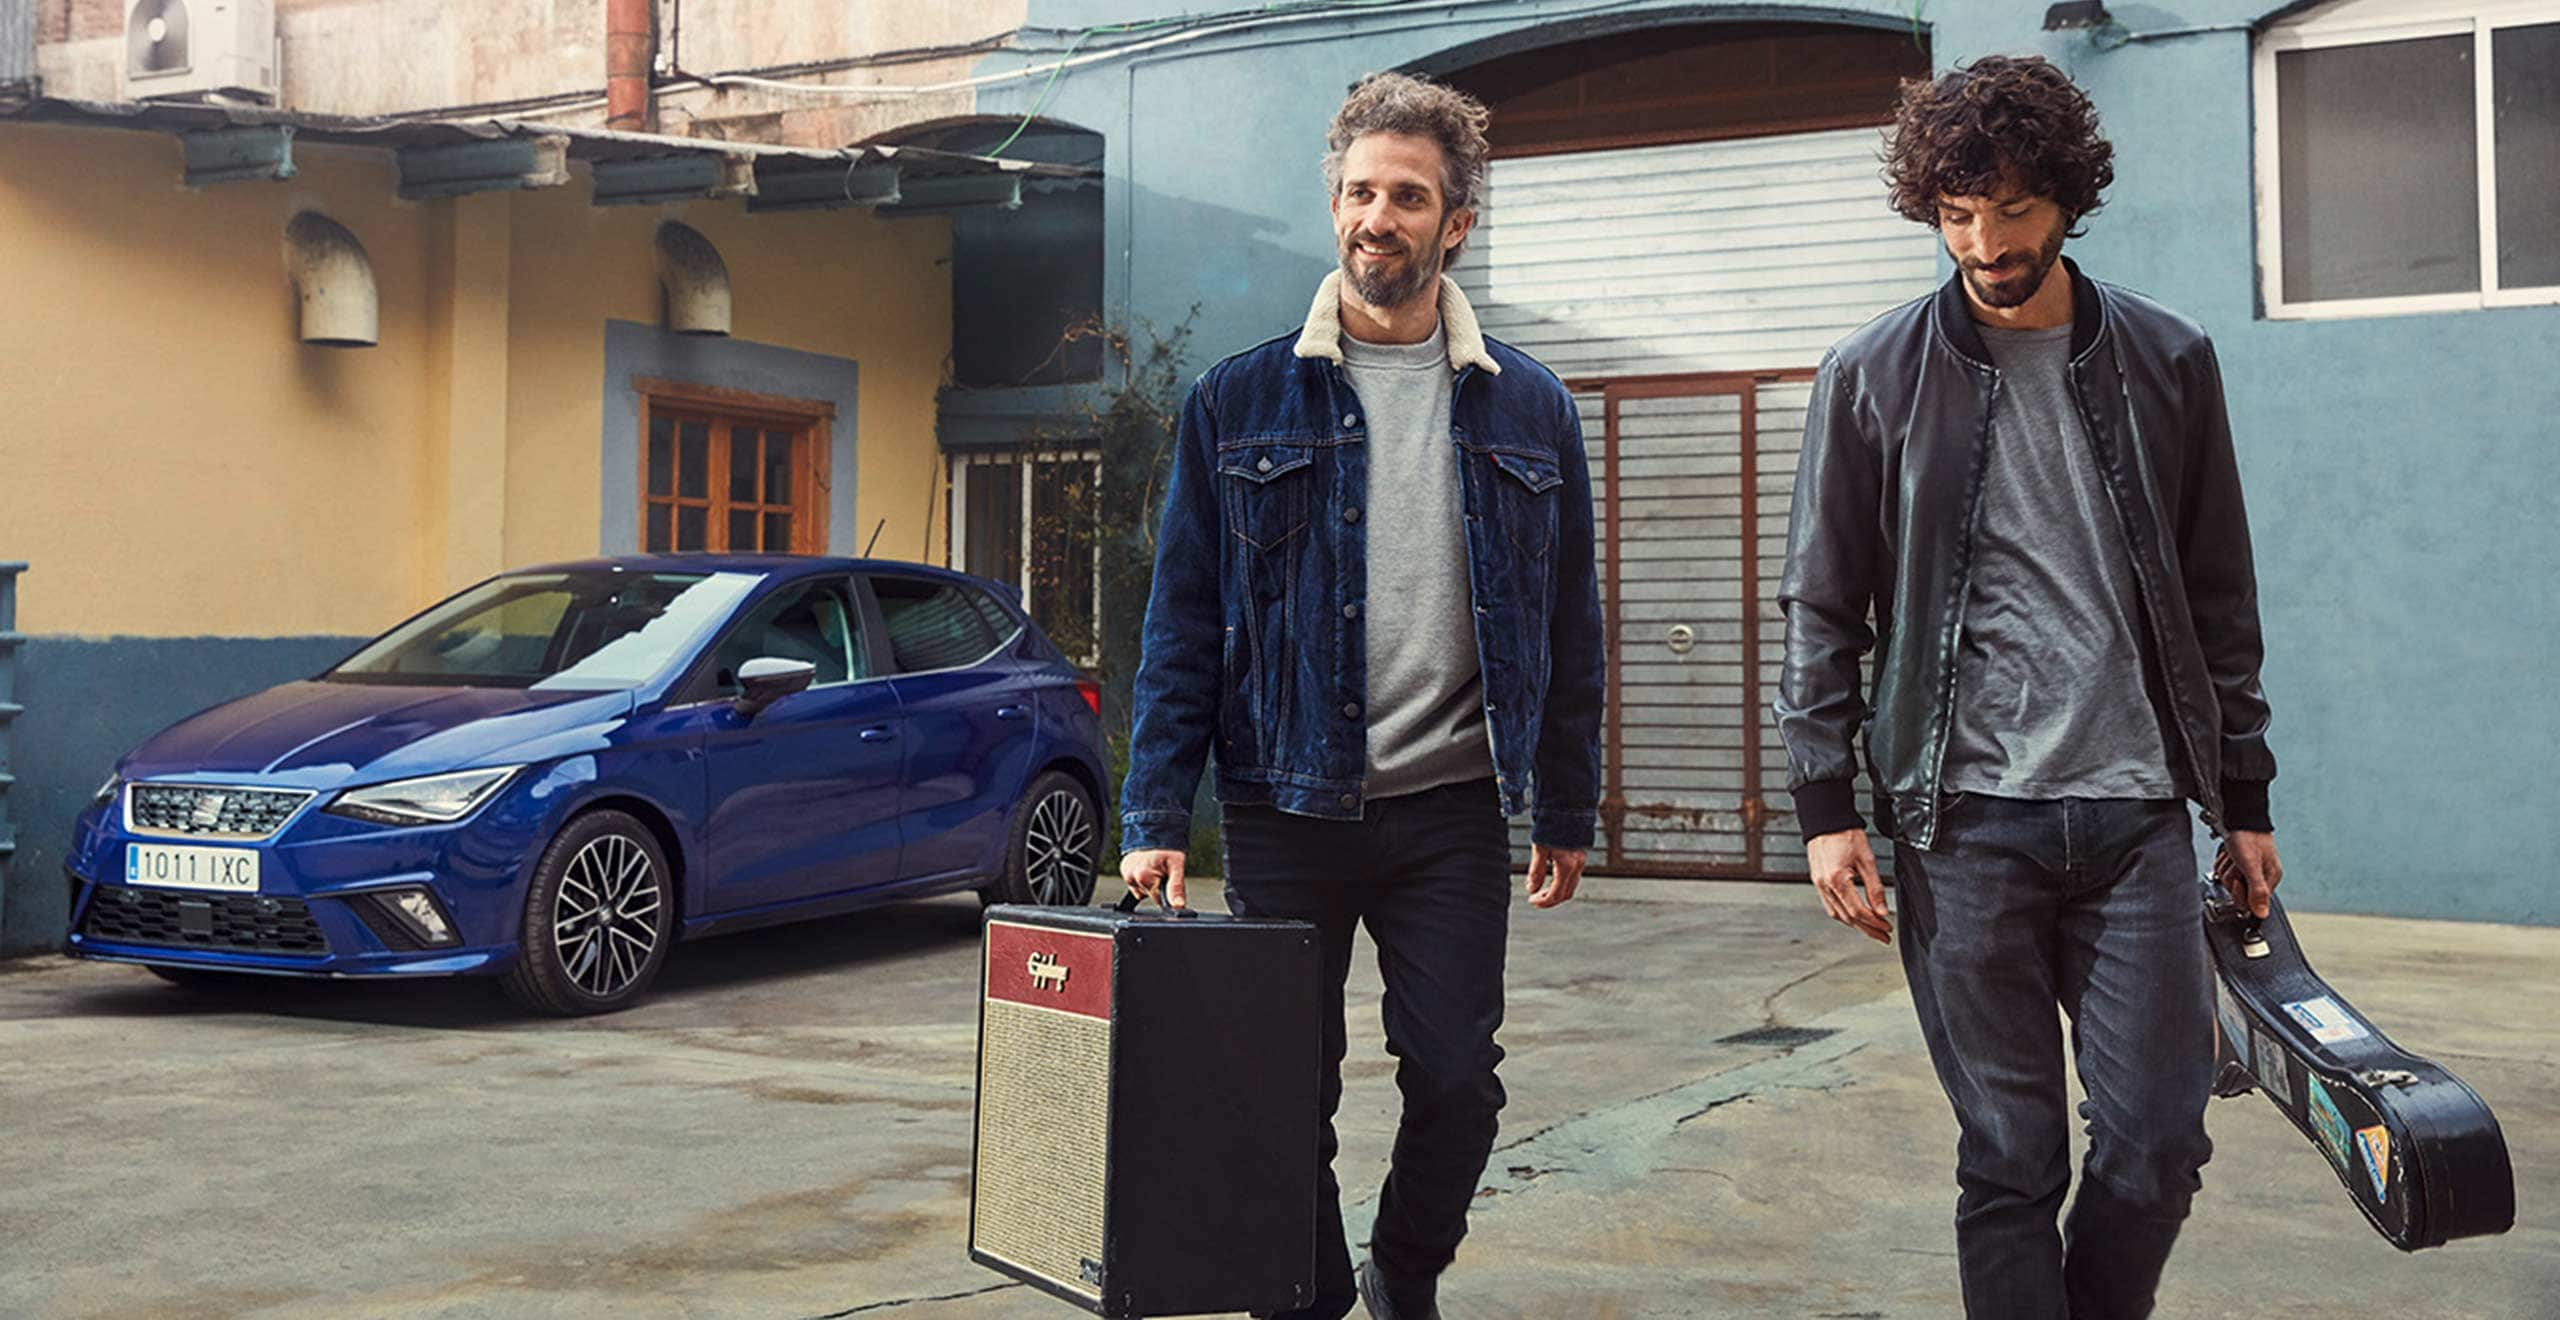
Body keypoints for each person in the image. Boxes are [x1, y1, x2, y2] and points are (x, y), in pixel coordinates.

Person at [1775, 54, 2284, 1320]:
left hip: (2132, 818)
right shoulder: (1872, 374)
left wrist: (2244, 795)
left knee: (2160, 1143)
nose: (1984, 242)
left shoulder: (2168, 358)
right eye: (1955, 214)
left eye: (2008, 209)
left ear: (2064, 196)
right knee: (2009, 1159)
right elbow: (1823, 602)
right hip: (1963, 826)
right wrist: (1824, 805)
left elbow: (2218, 595)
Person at [1115, 71, 1604, 1320]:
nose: (1374, 217)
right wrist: (1154, 811)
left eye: (1406, 197)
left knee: (1456, 1079)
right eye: (1357, 192)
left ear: (1456, 225)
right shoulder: (1239, 399)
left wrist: (1564, 802)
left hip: (1448, 808)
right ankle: (1311, 1293)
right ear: (1333, 205)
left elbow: (1568, 620)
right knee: (1283, 1086)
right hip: (1285, 800)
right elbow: (1183, 618)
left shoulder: (1530, 405)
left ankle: (1408, 1272)